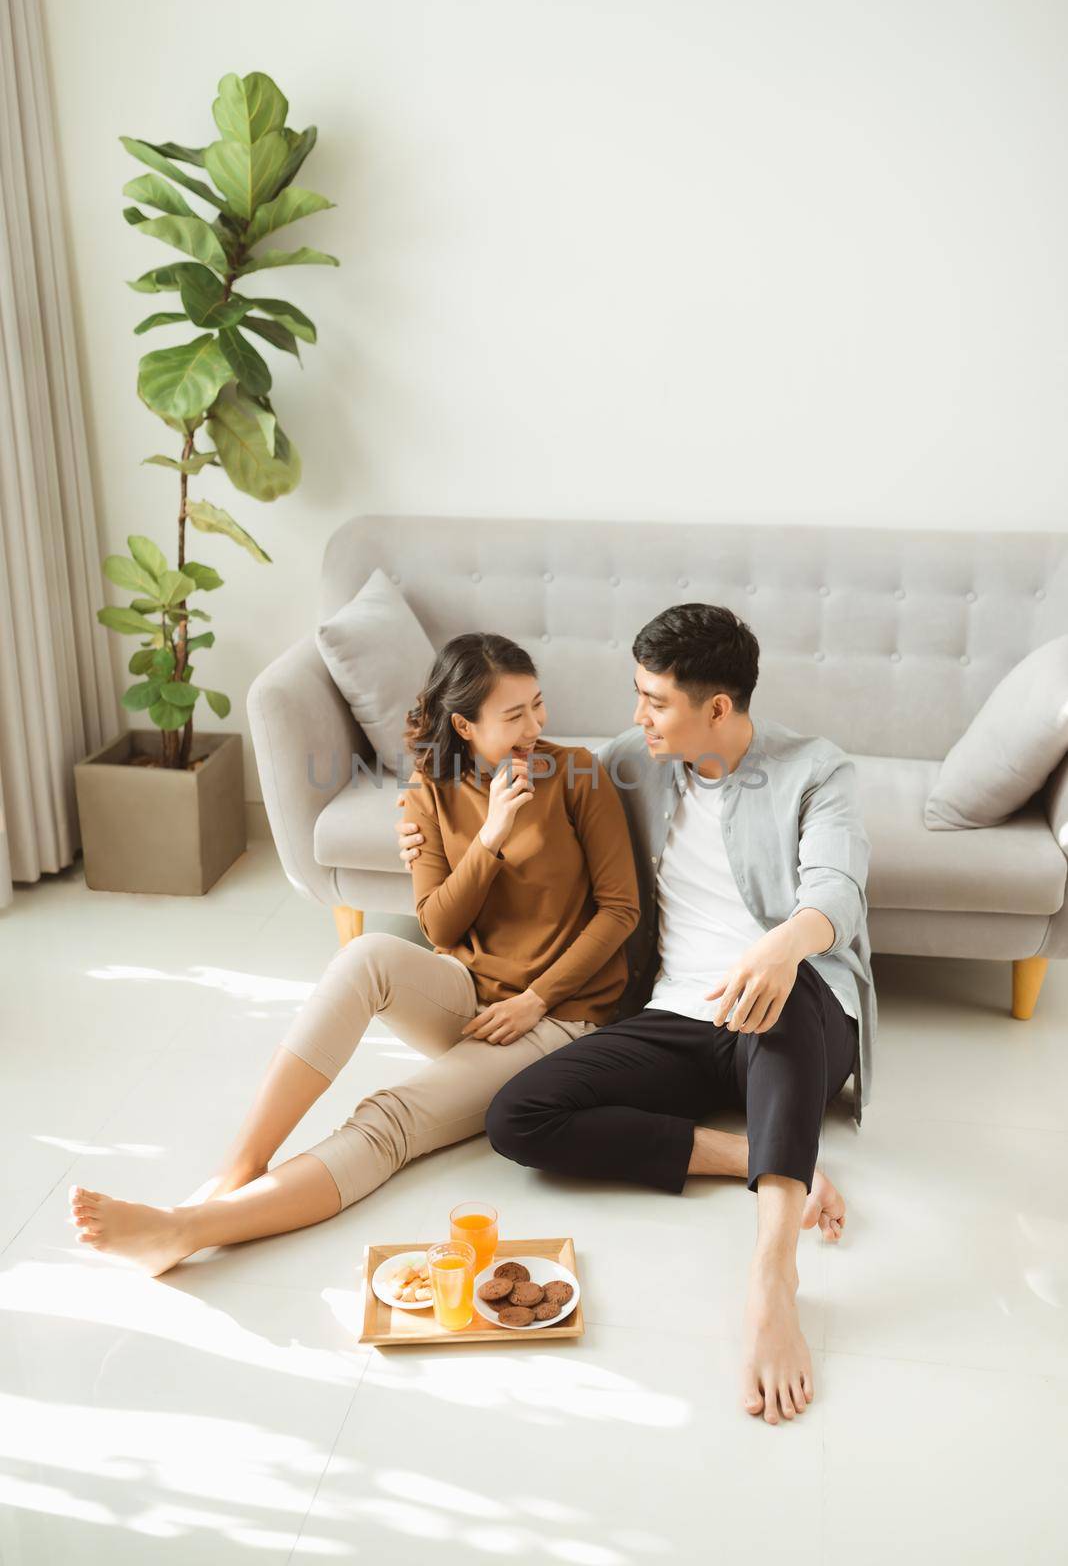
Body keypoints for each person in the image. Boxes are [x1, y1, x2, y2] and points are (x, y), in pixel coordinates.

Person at [397, 603, 875, 1427]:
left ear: (716, 709)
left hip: (797, 1004)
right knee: (518, 1115)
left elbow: (838, 889)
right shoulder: (624, 763)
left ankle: (772, 1279)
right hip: (678, 1014)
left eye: (655, 700)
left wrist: (782, 947)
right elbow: (511, 797)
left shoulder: (815, 771)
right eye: (637, 694)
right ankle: (753, 1152)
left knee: (780, 998)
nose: (636, 715)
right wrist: (424, 818)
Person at [66, 633, 640, 1280]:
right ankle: (241, 1167)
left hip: (558, 1019)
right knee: (365, 954)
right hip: (472, 996)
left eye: (538, 706)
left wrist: (537, 1000)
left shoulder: (580, 777)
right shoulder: (429, 792)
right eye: (514, 716)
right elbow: (441, 927)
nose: (536, 726)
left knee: (388, 1117)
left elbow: (622, 913)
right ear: (463, 724)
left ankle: (186, 1229)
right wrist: (490, 839)